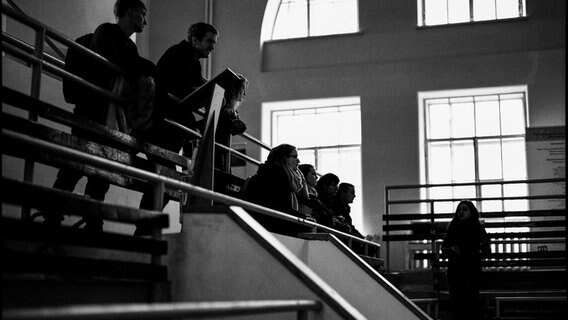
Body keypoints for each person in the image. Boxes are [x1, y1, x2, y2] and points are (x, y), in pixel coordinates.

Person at [47, 0, 156, 232]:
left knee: (95, 169)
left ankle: (85, 218)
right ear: (131, 12)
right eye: (143, 14)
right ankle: (61, 214)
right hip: (94, 111)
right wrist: (150, 72)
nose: (145, 20)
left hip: (100, 112)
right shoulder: (106, 33)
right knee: (77, 165)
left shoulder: (121, 43)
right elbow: (123, 62)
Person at [137, 22, 219, 215]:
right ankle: (143, 229)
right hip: (160, 127)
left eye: (214, 43)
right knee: (164, 182)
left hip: (169, 129)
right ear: (194, 39)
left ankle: (144, 228)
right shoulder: (178, 54)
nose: (212, 47)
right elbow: (179, 89)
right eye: (209, 41)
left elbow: (192, 88)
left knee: (163, 183)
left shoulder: (193, 62)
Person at [441, 200, 491, 320]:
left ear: (471, 212)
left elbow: (487, 250)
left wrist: (482, 247)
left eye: (465, 209)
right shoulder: (452, 227)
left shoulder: (477, 228)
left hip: (472, 268)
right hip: (455, 269)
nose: (461, 212)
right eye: (459, 210)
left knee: (470, 300)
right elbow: (443, 248)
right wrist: (452, 249)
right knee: (457, 301)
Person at [242, 144, 307, 219]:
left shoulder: (281, 177)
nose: (298, 161)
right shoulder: (274, 179)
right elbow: (279, 208)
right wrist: (303, 217)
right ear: (283, 158)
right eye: (295, 157)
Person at [214, 74, 248, 173]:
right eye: (243, 90)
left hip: (221, 146)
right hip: (217, 146)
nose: (244, 94)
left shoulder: (228, 109)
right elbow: (240, 127)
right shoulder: (224, 108)